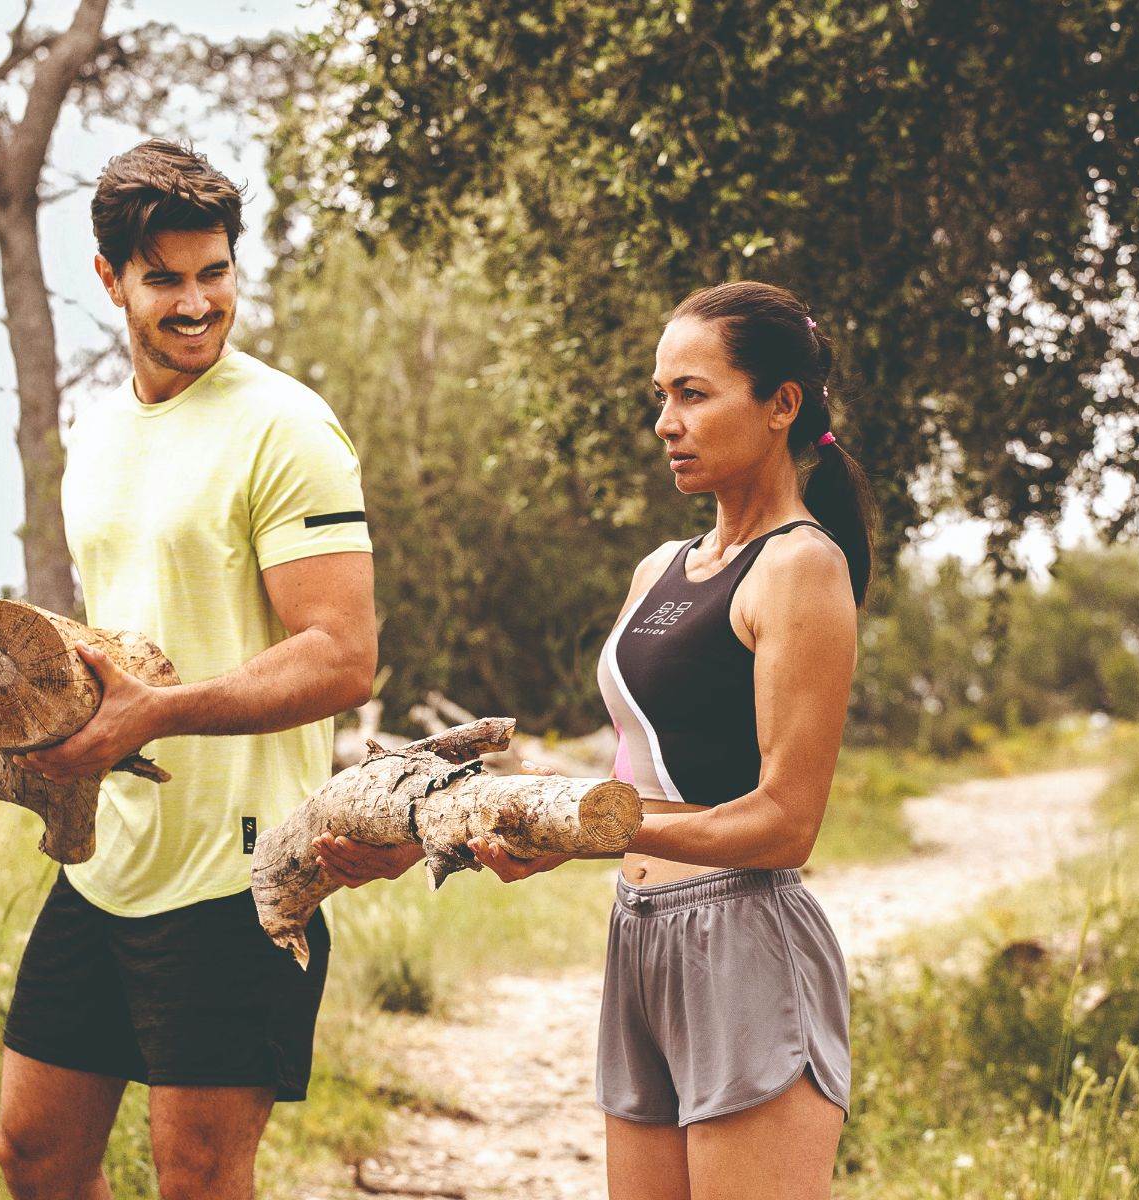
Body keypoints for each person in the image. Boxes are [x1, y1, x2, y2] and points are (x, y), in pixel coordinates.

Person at [0, 139, 377, 1200]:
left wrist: (160, 717)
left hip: (237, 875)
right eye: (166, 280)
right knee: (37, 1158)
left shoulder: (287, 429)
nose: (197, 304)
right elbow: (107, 651)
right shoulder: (97, 436)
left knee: (196, 1177)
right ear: (110, 279)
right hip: (106, 864)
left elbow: (342, 657)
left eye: (215, 273)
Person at [317, 280, 872, 1200]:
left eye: (693, 393)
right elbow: (639, 782)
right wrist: (493, 833)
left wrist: (591, 823)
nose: (665, 422)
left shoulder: (803, 568)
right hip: (638, 938)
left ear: (781, 405)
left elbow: (784, 824)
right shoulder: (659, 568)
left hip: (743, 944)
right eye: (660, 396)